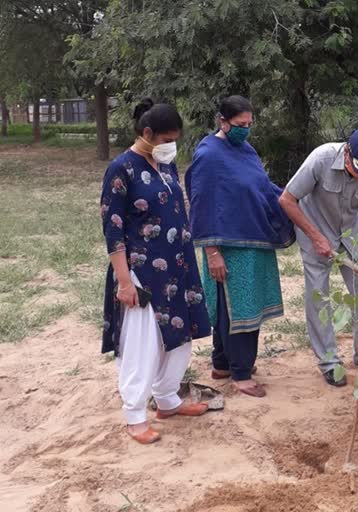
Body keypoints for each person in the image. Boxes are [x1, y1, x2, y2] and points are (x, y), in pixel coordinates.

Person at [100, 99, 211, 444]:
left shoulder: (166, 165)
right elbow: (113, 227)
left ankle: (167, 399)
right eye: (166, 138)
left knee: (179, 338)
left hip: (178, 268)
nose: (171, 145)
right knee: (143, 342)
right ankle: (135, 415)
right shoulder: (122, 169)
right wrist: (123, 281)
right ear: (147, 133)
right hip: (141, 271)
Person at [185, 95, 295, 397]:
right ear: (223, 122)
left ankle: (222, 364)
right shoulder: (208, 155)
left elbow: (261, 187)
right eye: (239, 125)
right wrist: (212, 252)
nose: (245, 130)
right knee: (238, 310)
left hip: (253, 240)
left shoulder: (246, 150)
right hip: (227, 247)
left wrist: (293, 198)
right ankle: (241, 374)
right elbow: (202, 204)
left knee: (236, 308)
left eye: (249, 124)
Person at [278, 129, 358, 386]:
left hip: (353, 232)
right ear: (346, 152)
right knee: (319, 296)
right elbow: (287, 200)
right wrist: (315, 236)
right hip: (315, 228)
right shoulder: (321, 158)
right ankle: (330, 362)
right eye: (356, 168)